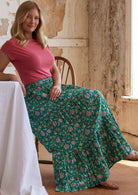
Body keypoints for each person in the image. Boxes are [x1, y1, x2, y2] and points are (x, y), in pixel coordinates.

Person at [0, 0, 137, 192]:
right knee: (83, 113)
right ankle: (110, 162)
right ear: (21, 18)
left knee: (94, 98)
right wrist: (13, 76)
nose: (32, 21)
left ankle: (110, 161)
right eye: (29, 16)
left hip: (55, 91)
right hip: (37, 100)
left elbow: (54, 69)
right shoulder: (12, 45)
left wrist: (57, 85)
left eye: (36, 18)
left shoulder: (41, 41)